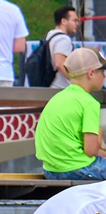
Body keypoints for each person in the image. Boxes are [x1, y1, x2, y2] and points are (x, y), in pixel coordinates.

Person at [35, 48, 106, 180]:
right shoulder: (89, 103)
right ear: (91, 73)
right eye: (102, 71)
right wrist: (99, 132)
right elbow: (91, 150)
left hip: (51, 171)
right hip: (78, 169)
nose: (104, 76)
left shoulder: (57, 98)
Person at [42, 4, 81, 85]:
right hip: (60, 86)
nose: (77, 24)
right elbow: (59, 64)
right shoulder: (63, 39)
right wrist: (76, 82)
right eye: (74, 21)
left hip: (49, 84)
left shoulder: (50, 35)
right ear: (63, 21)